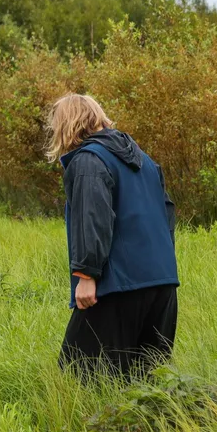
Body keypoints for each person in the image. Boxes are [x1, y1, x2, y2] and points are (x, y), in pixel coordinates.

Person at [47, 94, 179, 380]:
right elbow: (167, 214)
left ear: (66, 125)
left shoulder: (87, 161)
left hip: (116, 287)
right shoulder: (144, 159)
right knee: (145, 382)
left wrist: (86, 275)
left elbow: (93, 218)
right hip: (163, 283)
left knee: (81, 376)